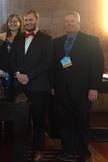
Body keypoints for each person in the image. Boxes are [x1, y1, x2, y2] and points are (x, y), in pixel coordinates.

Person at [52, 11, 104, 162]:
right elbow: (53, 66)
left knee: (82, 122)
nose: (69, 24)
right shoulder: (57, 42)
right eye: (67, 22)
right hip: (62, 90)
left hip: (83, 91)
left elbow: (98, 66)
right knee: (65, 122)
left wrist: (94, 87)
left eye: (72, 21)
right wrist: (53, 86)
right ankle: (67, 150)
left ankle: (83, 152)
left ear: (78, 22)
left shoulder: (91, 41)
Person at [10, 10, 53, 162]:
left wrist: (29, 76)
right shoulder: (18, 38)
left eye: (31, 20)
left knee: (38, 120)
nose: (28, 23)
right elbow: (12, 59)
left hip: (39, 86)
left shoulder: (46, 39)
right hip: (19, 86)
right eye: (26, 20)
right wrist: (17, 74)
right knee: (22, 120)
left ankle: (38, 150)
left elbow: (47, 62)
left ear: (37, 20)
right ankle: (22, 149)